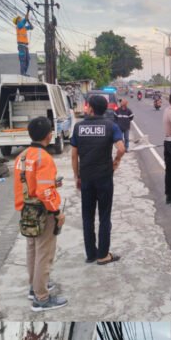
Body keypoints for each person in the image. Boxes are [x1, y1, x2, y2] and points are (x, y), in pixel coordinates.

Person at [13, 116, 67, 312]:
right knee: (44, 254)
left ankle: (34, 287)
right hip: (43, 212)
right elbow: (44, 192)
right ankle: (42, 298)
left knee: (32, 250)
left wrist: (53, 184)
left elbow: (28, 184)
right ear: (49, 135)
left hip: (26, 211)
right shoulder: (44, 158)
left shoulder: (22, 156)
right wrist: (56, 212)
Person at [70, 93, 126, 266]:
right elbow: (122, 148)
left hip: (86, 178)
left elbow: (74, 156)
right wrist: (115, 162)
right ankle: (103, 255)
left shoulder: (79, 128)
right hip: (104, 178)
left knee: (87, 217)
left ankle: (91, 254)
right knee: (104, 216)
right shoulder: (111, 126)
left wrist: (76, 176)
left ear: (91, 108)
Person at [13, 10, 33, 76]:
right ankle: (22, 73)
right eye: (19, 19)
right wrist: (28, 11)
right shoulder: (19, 26)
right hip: (21, 46)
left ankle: (24, 72)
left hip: (25, 46)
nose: (20, 19)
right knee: (23, 59)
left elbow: (31, 27)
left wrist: (29, 23)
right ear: (17, 21)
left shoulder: (23, 27)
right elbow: (25, 20)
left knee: (27, 60)